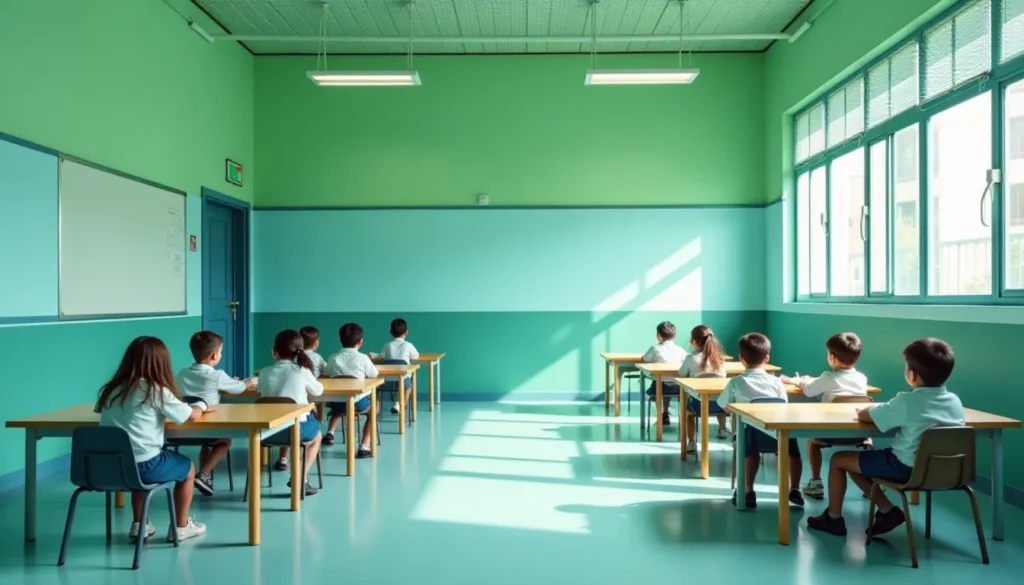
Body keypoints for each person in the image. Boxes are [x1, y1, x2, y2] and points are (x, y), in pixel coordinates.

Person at [807, 338, 964, 537]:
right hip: (947, 470)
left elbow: (867, 415)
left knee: (839, 460)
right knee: (857, 462)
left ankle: (834, 517)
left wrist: (866, 409)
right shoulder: (955, 402)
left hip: (905, 467)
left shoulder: (906, 401)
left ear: (912, 375)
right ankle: (886, 511)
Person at [96, 336, 209, 542]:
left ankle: (140, 523)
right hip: (144, 466)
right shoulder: (154, 390)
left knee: (135, 462)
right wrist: (201, 405)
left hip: (109, 467)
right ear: (161, 363)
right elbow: (190, 415)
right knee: (188, 469)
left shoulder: (110, 390)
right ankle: (181, 526)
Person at [718, 332, 804, 509]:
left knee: (749, 446)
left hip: (749, 434)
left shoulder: (736, 382)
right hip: (778, 435)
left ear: (741, 358)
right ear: (767, 358)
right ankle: (794, 488)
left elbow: (723, 405)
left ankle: (748, 491)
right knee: (793, 452)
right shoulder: (776, 382)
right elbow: (783, 405)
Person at [781, 332, 869, 500]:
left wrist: (800, 381)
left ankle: (815, 482)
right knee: (868, 442)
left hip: (830, 432)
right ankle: (869, 485)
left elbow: (808, 391)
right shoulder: (862, 378)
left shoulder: (828, 377)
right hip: (858, 434)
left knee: (812, 442)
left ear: (832, 358)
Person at [176, 330, 256, 495]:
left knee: (207, 443)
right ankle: (203, 474)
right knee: (224, 441)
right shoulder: (217, 375)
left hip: (184, 429)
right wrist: (252, 380)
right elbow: (239, 388)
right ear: (214, 355)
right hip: (210, 427)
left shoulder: (182, 373)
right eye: (221, 352)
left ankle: (206, 477)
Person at [258, 330, 324, 496]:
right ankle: (300, 477)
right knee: (317, 436)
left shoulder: (264, 372)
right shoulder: (302, 371)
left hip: (267, 432)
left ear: (274, 352)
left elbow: (261, 392)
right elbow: (318, 391)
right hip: (297, 429)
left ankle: (288, 465)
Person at [323, 323, 379, 458]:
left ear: (340, 341)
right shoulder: (363, 358)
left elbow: (327, 372)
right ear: (360, 342)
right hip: (356, 404)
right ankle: (364, 446)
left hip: (335, 403)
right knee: (375, 407)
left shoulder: (333, 358)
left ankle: (330, 433)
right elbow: (374, 374)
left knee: (342, 400)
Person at [679, 325, 728, 453]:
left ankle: (691, 442)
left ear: (693, 341)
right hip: (720, 405)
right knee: (718, 397)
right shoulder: (720, 359)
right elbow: (723, 376)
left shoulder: (690, 358)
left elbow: (681, 373)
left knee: (688, 414)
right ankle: (722, 429)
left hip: (699, 404)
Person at [642, 321, 686, 426]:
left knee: (659, 384)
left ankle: (660, 415)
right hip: (677, 387)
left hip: (658, 386)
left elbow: (644, 360)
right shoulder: (680, 350)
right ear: (674, 336)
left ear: (658, 335)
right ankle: (665, 412)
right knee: (669, 383)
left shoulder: (655, 348)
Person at [379, 318, 419, 414]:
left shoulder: (387, 345)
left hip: (386, 381)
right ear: (406, 332)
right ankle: (400, 404)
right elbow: (416, 356)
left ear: (390, 332)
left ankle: (377, 409)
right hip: (403, 381)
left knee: (378, 388)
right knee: (408, 386)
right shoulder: (408, 345)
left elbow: (381, 356)